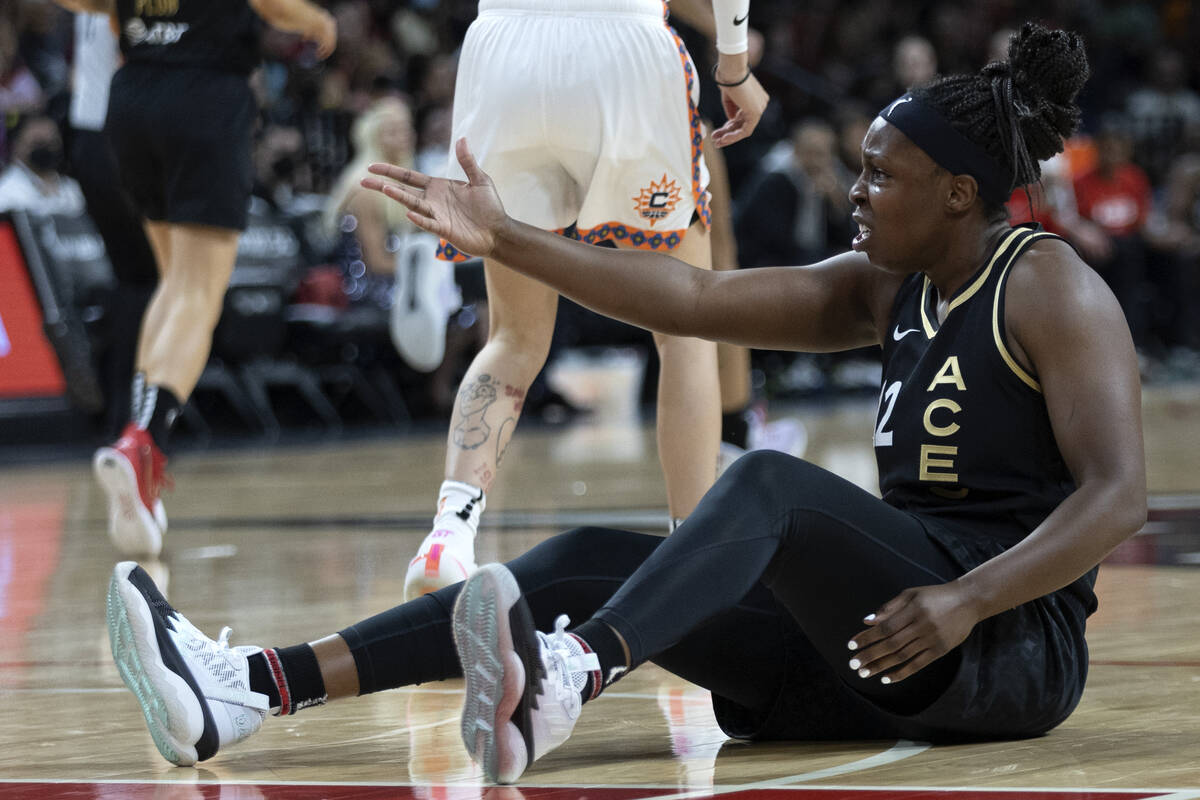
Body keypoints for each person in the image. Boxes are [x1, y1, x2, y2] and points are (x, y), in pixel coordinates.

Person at [106, 23, 1146, 787]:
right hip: (877, 646)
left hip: (1008, 644)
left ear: (960, 193)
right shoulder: (884, 287)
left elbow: (1116, 497)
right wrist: (508, 238)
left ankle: (573, 672)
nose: (857, 193)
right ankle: (248, 686)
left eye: (884, 177)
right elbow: (688, 294)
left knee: (767, 484)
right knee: (583, 554)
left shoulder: (1047, 285)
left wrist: (966, 599)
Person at [400, 0, 771, 599]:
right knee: (684, 331)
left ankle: (449, 531)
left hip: (503, 48)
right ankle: (692, 567)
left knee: (514, 336)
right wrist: (733, 64)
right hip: (623, 46)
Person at [48, 0, 337, 556]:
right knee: (198, 291)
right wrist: (316, 23)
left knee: (174, 281)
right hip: (203, 95)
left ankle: (139, 449)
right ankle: (144, 441)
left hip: (132, 97)